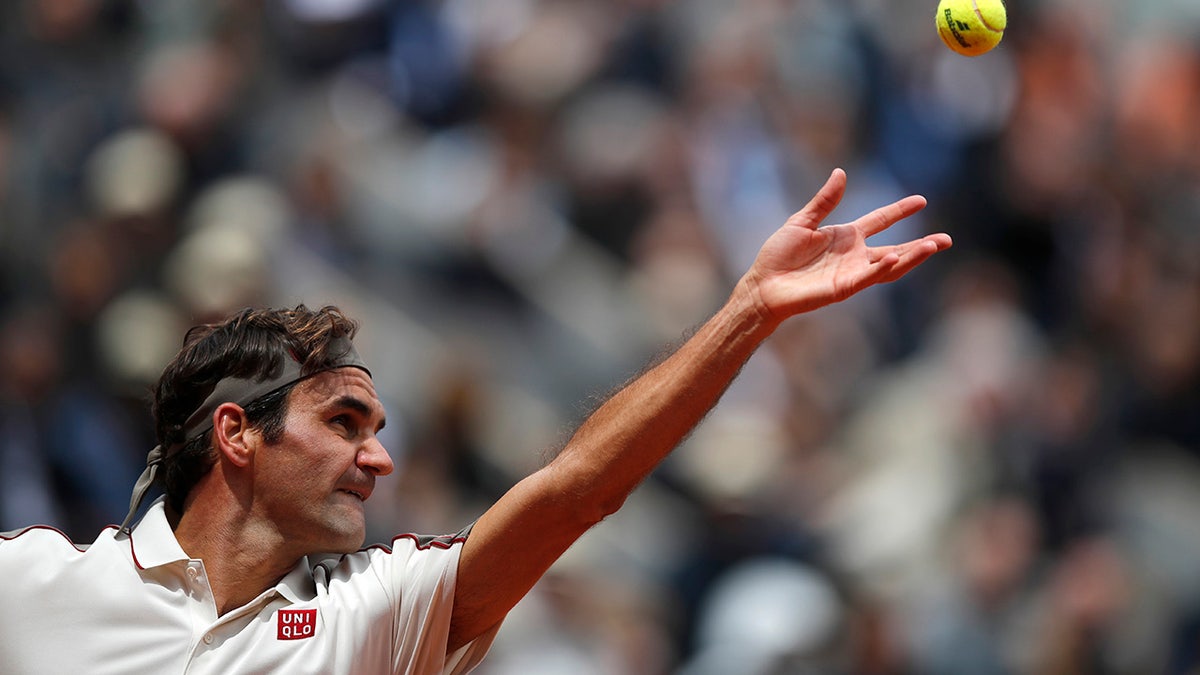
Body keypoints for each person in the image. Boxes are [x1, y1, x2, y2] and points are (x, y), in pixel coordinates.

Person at [0, 169, 951, 674]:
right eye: (344, 421)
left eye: (376, 424)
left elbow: (577, 489)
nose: (378, 456)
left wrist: (749, 312)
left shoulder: (373, 612)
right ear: (239, 436)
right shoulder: (31, 586)